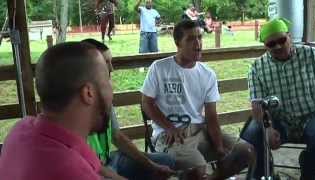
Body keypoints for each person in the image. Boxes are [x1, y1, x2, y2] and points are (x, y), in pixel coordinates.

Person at [141, 20, 255, 180]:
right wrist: (169, 127)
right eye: (190, 39)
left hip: (201, 130)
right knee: (197, 169)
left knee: (247, 151)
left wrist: (219, 147)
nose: (198, 43)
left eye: (200, 37)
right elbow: (147, 103)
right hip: (171, 136)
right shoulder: (159, 68)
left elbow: (211, 116)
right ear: (177, 43)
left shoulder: (207, 74)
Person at [0, 42, 113, 179]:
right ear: (88, 93)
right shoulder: (72, 171)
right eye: (107, 80)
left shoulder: (20, 129)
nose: (112, 89)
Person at [81, 38, 175, 180]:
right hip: (96, 169)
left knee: (165, 160)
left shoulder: (103, 96)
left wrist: (151, 165)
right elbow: (93, 167)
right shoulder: (77, 108)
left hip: (110, 160)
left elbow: (117, 136)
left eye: (111, 62)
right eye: (105, 62)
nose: (111, 68)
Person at [240, 18, 315, 179]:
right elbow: (257, 105)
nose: (277, 46)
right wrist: (267, 128)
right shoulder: (257, 68)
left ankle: (309, 169)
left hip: (313, 115)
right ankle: (262, 174)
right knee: (254, 133)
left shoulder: (313, 56)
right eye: (271, 44)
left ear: (289, 36)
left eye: (282, 40)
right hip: (279, 120)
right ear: (265, 45)